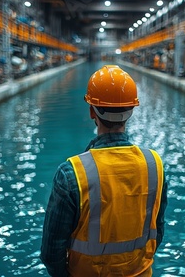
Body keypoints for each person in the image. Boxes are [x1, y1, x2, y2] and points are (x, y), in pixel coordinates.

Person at [40, 65, 168, 276]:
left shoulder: (72, 173)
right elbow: (158, 231)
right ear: (131, 111)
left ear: (92, 111)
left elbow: (51, 252)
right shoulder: (154, 165)